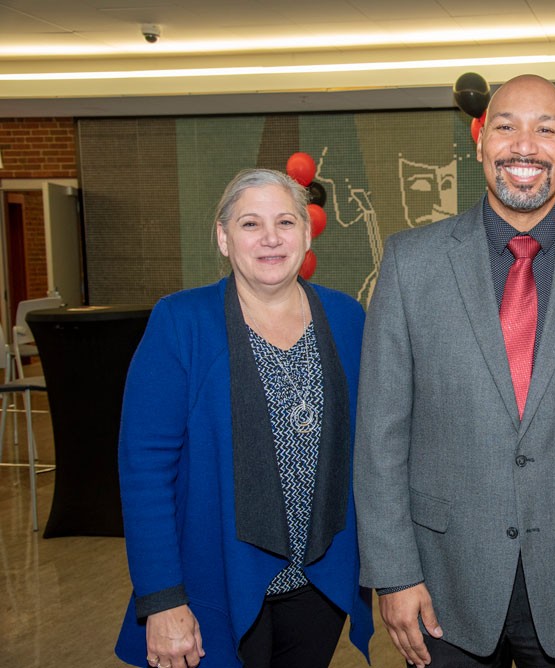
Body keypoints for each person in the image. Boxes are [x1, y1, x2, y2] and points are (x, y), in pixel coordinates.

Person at [353, 74, 555, 668]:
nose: (524, 145)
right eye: (506, 126)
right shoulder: (410, 263)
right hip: (444, 583)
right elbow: (379, 437)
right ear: (479, 142)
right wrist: (393, 574)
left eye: (546, 129)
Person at [114, 168, 373, 668]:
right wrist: (163, 599)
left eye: (286, 222)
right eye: (251, 224)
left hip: (319, 585)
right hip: (215, 585)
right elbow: (144, 470)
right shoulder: (180, 322)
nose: (271, 238)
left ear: (307, 231)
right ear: (223, 237)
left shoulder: (347, 318)